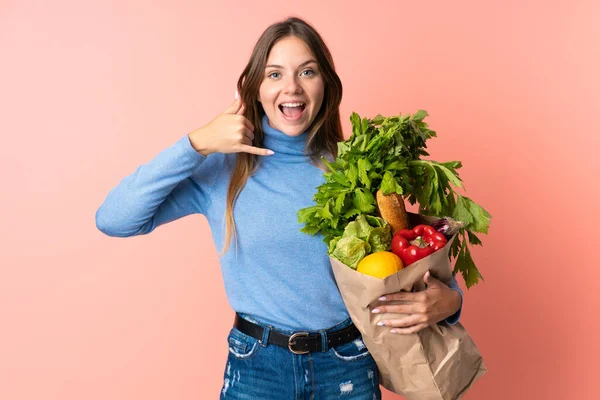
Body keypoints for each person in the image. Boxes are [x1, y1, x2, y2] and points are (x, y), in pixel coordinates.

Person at [95, 16, 463, 400]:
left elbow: (417, 272)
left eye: (307, 71)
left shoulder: (359, 169)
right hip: (257, 368)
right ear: (254, 88)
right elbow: (114, 219)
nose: (292, 87)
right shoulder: (223, 168)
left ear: (327, 86)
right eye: (274, 74)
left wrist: (449, 302)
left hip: (348, 366)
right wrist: (196, 144)